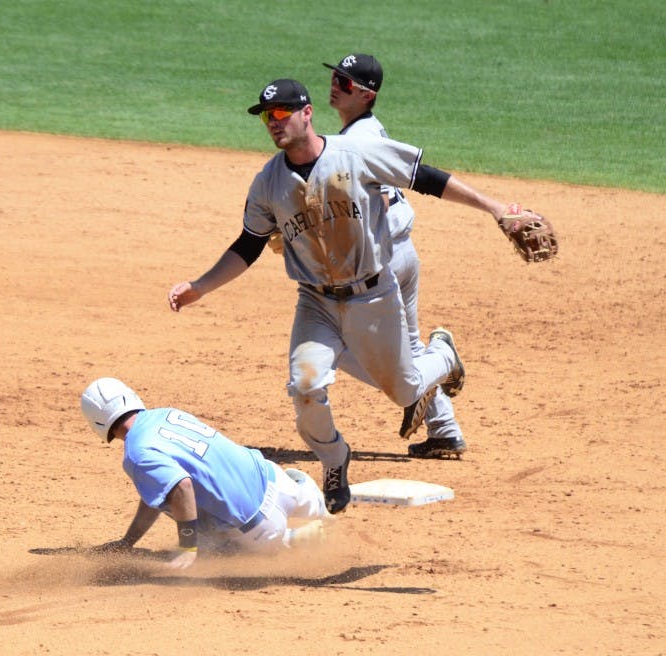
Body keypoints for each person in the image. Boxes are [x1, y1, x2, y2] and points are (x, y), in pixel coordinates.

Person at [168, 78, 523, 515]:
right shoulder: (268, 183)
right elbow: (248, 244)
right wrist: (199, 287)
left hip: (374, 297)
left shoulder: (355, 152)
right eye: (265, 116)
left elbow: (425, 179)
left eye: (280, 113)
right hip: (315, 302)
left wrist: (494, 208)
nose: (272, 123)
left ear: (307, 112)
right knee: (305, 385)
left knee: (408, 389)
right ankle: (334, 459)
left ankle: (444, 356)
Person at [324, 52, 466, 460]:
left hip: (381, 261)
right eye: (335, 76)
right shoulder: (369, 129)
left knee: (337, 342)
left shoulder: (353, 142)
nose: (336, 84)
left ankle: (443, 360)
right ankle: (444, 430)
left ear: (367, 95)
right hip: (404, 255)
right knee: (408, 347)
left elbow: (370, 207)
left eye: (346, 82)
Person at [80, 377, 331, 570]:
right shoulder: (168, 413)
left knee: (215, 548)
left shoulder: (136, 453)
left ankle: (291, 540)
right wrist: (128, 541)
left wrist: (188, 547)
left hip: (259, 525)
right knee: (312, 501)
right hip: (274, 478)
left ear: (97, 422)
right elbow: (157, 493)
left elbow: (181, 487)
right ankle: (322, 503)